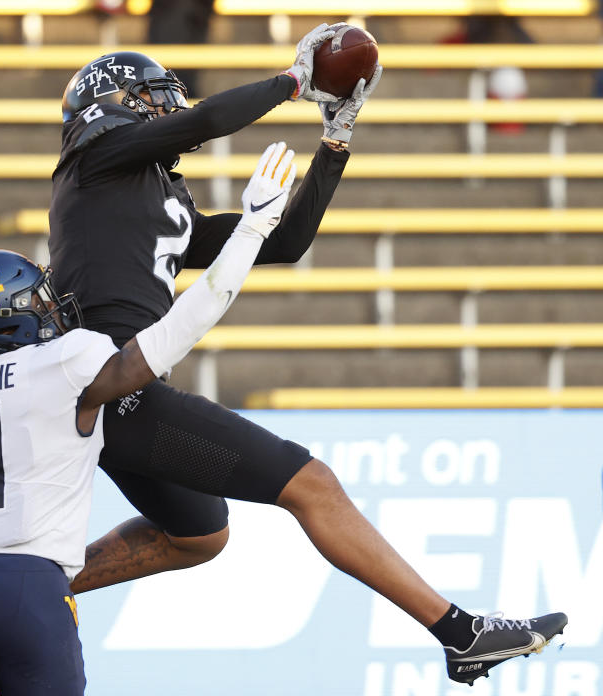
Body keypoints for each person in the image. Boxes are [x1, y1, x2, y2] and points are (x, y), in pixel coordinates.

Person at [48, 22, 567, 685]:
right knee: (312, 484)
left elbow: (285, 240)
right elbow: (205, 119)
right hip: (115, 384)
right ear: (115, 105)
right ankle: (460, 632)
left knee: (199, 533)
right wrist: (294, 81)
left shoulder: (153, 196)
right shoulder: (92, 165)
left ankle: (44, 582)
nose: (167, 109)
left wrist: (336, 138)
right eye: (153, 98)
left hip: (116, 390)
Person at [0, 141, 298, 695]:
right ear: (8, 321)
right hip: (33, 586)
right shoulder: (63, 364)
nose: (52, 307)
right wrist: (248, 234)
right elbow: (177, 331)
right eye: (38, 301)